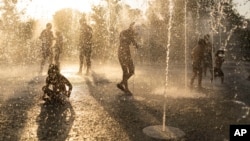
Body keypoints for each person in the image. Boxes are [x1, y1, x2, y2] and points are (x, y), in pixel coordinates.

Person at [117, 22, 139, 95]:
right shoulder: (124, 32)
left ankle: (122, 83)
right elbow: (124, 40)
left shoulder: (129, 34)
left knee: (132, 71)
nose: (135, 31)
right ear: (131, 27)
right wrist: (135, 44)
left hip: (126, 53)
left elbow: (134, 43)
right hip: (122, 53)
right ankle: (126, 88)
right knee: (125, 71)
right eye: (134, 29)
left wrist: (136, 44)